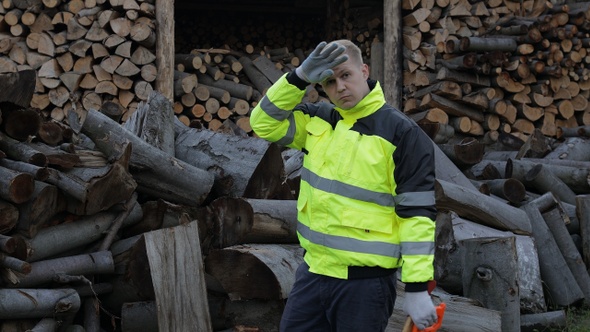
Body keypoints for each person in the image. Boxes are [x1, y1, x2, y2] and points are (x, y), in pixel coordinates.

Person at [250, 40, 437, 332]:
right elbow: (263, 123)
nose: (339, 87)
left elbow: (417, 216)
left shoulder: (402, 134)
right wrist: (298, 78)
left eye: (346, 75)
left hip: (365, 286)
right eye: (329, 81)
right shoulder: (318, 120)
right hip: (313, 275)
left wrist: (416, 286)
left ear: (364, 71)